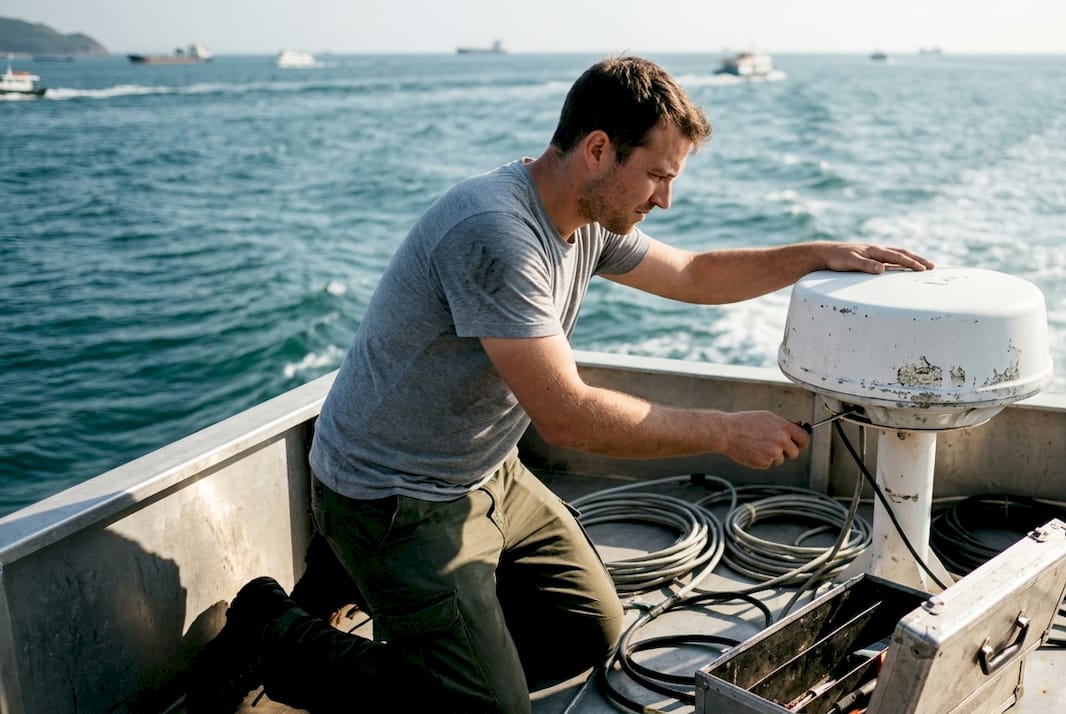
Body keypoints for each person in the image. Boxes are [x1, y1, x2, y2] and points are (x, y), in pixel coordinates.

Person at [186, 55, 932, 714]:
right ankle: (271, 631)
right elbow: (568, 417)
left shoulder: (589, 214)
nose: (664, 200)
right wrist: (726, 430)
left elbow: (695, 273)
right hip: (395, 497)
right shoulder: (497, 233)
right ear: (598, 150)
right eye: (658, 177)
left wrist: (820, 255)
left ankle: (421, 622)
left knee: (589, 636)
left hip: (487, 473)